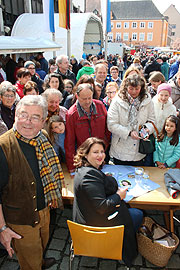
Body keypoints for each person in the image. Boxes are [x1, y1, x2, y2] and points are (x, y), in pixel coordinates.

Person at [0, 95, 64, 270]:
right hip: (21, 219)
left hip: (44, 209)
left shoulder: (42, 136)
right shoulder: (3, 147)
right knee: (30, 262)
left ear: (44, 121)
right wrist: (2, 229)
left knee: (41, 245)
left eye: (35, 117)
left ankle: (40, 261)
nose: (27, 122)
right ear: (15, 116)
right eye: (23, 115)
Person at [73, 137, 143, 267]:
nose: (100, 155)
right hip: (97, 225)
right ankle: (119, 244)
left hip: (89, 217)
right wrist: (118, 195)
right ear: (85, 154)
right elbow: (102, 206)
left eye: (102, 151)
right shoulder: (89, 176)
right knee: (137, 214)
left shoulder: (83, 170)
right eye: (95, 152)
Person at [107, 74, 155, 166]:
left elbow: (152, 120)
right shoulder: (117, 101)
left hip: (138, 150)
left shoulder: (147, 100)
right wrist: (129, 132)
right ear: (126, 87)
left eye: (137, 89)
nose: (134, 92)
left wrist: (147, 129)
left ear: (141, 88)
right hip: (120, 149)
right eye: (131, 88)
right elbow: (111, 124)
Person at [65, 83, 111, 175]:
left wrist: (105, 146)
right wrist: (72, 166)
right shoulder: (72, 114)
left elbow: (107, 130)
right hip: (84, 158)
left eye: (89, 98)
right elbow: (69, 141)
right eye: (84, 99)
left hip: (101, 155)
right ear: (77, 96)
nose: (87, 101)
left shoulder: (100, 106)